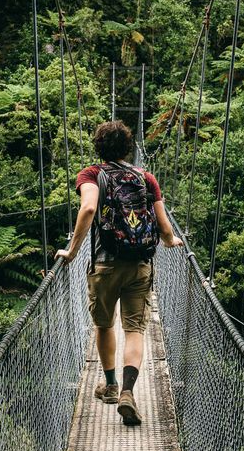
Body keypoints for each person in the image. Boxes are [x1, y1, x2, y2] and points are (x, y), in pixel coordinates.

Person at [55, 120, 183, 427]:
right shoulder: (145, 177)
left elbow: (87, 210)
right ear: (129, 148)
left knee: (103, 323)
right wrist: (172, 241)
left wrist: (72, 251)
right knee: (135, 330)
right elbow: (165, 229)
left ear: (98, 148)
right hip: (140, 263)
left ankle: (110, 385)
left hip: (105, 263)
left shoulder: (91, 174)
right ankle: (128, 391)